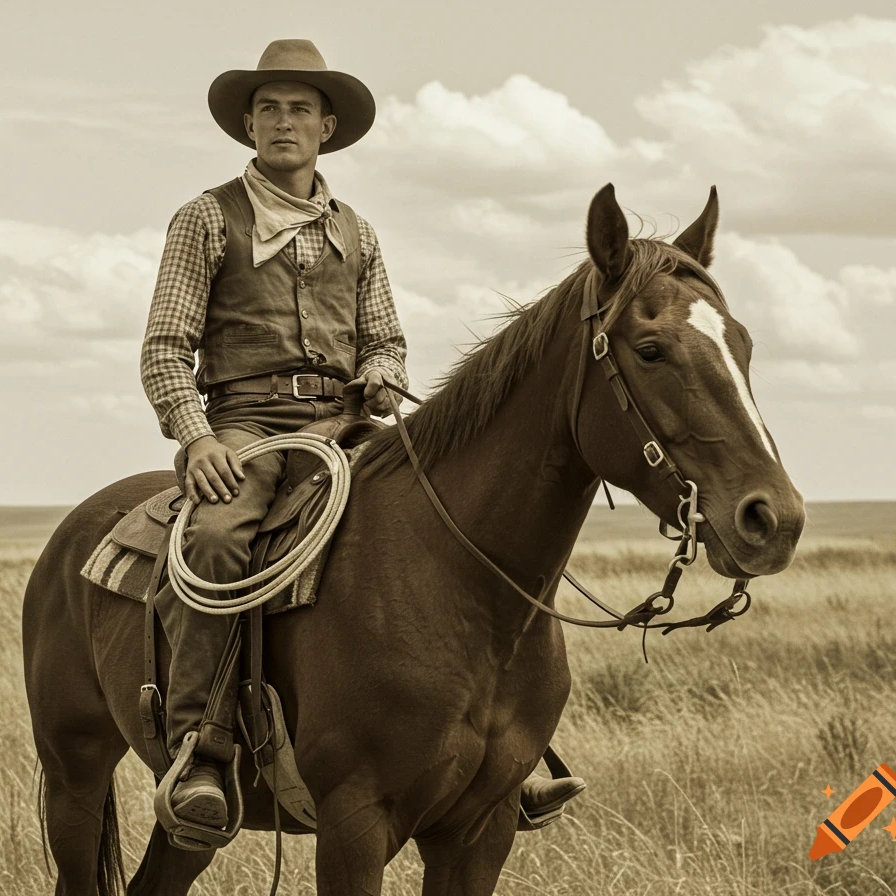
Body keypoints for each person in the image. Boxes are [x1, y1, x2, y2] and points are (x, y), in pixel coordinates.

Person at [140, 38, 583, 831]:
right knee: (213, 538)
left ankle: (499, 754)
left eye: (300, 109)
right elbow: (166, 346)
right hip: (245, 426)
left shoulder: (360, 232)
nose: (284, 122)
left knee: (457, 521)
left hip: (347, 423)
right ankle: (201, 748)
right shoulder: (206, 219)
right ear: (248, 124)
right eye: (269, 108)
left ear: (327, 126)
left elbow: (385, 338)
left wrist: (380, 370)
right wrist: (197, 436)